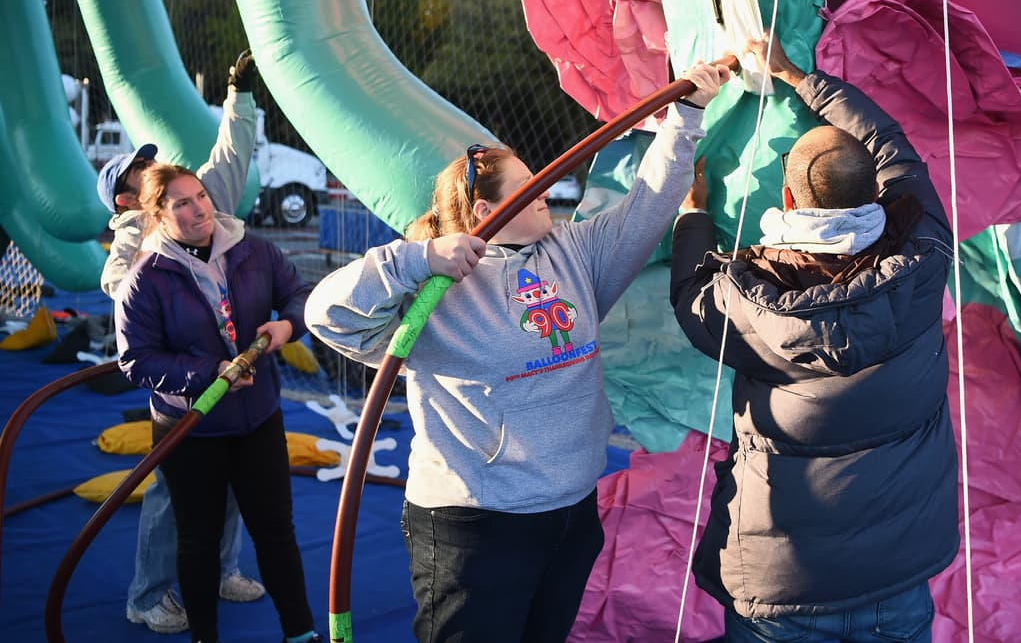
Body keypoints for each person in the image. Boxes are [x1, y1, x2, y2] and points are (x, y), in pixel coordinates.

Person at [304, 61, 730, 643]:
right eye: (529, 187)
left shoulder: (575, 251)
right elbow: (325, 315)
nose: (546, 192)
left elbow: (648, 203)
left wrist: (688, 114)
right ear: (485, 213)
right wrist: (417, 259)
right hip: (474, 525)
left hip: (572, 509)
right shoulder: (432, 292)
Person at [668, 35, 959, 643]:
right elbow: (893, 144)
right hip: (896, 580)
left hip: (779, 592)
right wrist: (801, 77)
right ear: (874, 189)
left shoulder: (743, 298)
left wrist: (693, 215)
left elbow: (690, 295)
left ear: (788, 197)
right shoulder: (927, 249)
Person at [97, 50, 266, 634]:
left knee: (235, 480)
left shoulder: (194, 202)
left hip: (232, 375)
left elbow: (231, 156)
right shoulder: (135, 237)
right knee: (172, 493)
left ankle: (222, 569)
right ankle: (146, 597)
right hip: (184, 389)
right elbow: (118, 285)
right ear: (125, 199)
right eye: (138, 171)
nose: (153, 167)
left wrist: (239, 96)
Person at [115, 162, 320, 643]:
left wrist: (289, 326)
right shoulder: (145, 278)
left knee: (275, 532)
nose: (198, 208)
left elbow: (299, 294)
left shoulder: (254, 250)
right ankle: (205, 636)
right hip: (191, 429)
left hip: (257, 420)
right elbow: (135, 360)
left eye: (200, 196)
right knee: (199, 540)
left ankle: (301, 633)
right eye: (181, 203)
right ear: (159, 216)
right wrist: (208, 375)